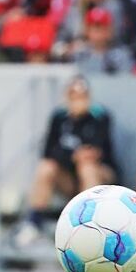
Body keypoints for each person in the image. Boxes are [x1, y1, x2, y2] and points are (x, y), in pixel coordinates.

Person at [15, 76, 117, 246]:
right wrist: (73, 155)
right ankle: (34, 222)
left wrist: (75, 154)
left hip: (101, 176)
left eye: (81, 96)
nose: (78, 101)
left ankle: (90, 225)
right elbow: (48, 152)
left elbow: (97, 151)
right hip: (69, 179)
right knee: (46, 167)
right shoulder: (59, 118)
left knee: (87, 167)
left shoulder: (100, 116)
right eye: (73, 96)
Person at [72, 6, 136, 73]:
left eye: (104, 28)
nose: (99, 34)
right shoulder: (78, 55)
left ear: (110, 30)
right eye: (95, 28)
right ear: (87, 30)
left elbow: (128, 80)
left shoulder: (122, 55)